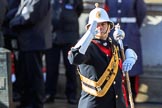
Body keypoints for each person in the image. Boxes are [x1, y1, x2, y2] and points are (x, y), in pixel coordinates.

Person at [68, 3, 137, 108]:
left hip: (116, 103)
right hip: (95, 104)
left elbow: (126, 49)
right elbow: (74, 58)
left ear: (109, 27)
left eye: (103, 24)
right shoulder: (87, 47)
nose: (99, 27)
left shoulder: (114, 45)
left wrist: (131, 57)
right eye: (96, 25)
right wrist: (89, 35)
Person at [9, 0, 53, 107]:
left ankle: (36, 103)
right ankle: (27, 102)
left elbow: (30, 16)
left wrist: (13, 22)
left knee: (35, 76)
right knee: (26, 75)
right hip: (26, 42)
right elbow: (20, 12)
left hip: (34, 42)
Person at [104, 0, 146, 101]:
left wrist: (133, 27)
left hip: (130, 32)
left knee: (132, 67)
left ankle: (131, 95)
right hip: (112, 32)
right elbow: (106, 11)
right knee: (112, 64)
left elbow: (141, 12)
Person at [44, 0, 83, 104]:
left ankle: (72, 95)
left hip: (69, 37)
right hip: (53, 37)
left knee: (70, 67)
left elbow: (79, 10)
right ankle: (49, 93)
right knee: (51, 68)